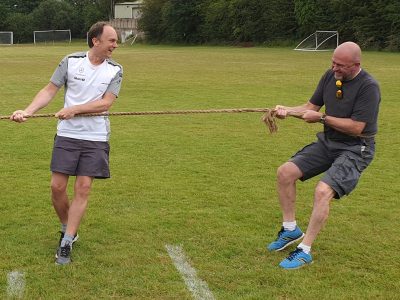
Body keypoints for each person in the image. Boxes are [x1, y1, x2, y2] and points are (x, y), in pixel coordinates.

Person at [10, 22, 123, 265]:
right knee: (57, 187)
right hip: (68, 135)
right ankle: (66, 225)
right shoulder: (71, 61)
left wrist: (74, 109)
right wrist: (28, 111)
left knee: (83, 188)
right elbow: (49, 90)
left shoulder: (115, 70)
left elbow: (105, 104)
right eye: (112, 40)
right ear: (96, 40)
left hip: (95, 137)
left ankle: (67, 240)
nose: (116, 45)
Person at [267, 42, 380, 269]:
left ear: (356, 65)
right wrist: (287, 111)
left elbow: (357, 127)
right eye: (333, 63)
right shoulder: (330, 76)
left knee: (322, 190)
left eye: (340, 66)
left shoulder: (369, 87)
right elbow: (311, 106)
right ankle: (290, 230)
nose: (335, 68)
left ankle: (305, 250)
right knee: (285, 172)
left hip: (356, 148)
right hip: (329, 141)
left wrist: (321, 119)